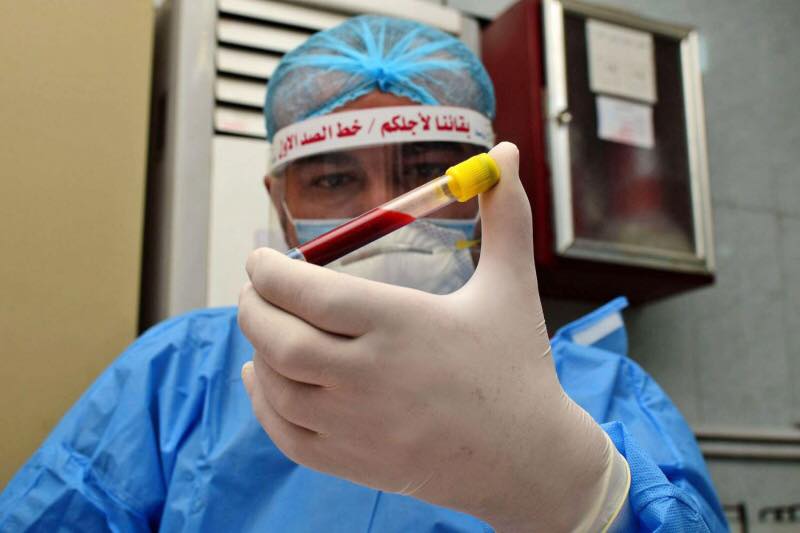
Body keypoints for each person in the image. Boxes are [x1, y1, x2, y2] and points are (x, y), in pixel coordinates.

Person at [0, 15, 726, 532]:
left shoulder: (605, 397)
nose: (390, 213)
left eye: (428, 171)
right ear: (281, 207)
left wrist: (584, 499)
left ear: (489, 192)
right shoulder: (177, 378)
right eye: (334, 179)